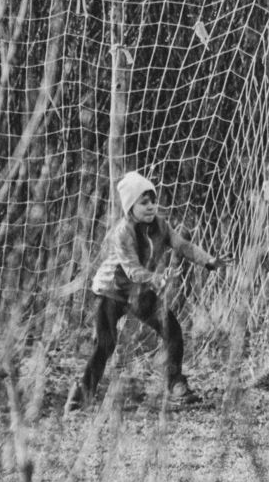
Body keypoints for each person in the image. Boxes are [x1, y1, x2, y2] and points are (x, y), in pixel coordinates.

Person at [67, 171, 227, 411]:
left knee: (172, 330)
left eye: (153, 200)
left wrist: (209, 261)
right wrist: (156, 278)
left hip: (138, 291)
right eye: (144, 202)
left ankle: (176, 384)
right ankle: (80, 395)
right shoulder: (122, 233)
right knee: (106, 344)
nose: (151, 206)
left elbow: (183, 246)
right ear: (130, 206)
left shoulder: (161, 225)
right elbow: (132, 270)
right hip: (110, 291)